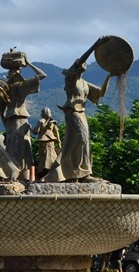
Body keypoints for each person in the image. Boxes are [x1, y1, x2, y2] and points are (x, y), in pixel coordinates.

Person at [44, 38, 113, 182]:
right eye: (81, 62)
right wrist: (95, 45)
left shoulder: (84, 83)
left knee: (83, 140)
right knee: (81, 138)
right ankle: (78, 171)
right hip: (72, 111)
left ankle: (81, 173)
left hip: (81, 113)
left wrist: (109, 77)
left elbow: (100, 93)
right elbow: (81, 60)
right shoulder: (71, 78)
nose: (84, 63)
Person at [0, 54, 46, 181]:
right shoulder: (12, 87)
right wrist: (29, 63)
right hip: (16, 119)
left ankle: (23, 173)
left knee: (20, 146)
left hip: (14, 119)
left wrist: (4, 123)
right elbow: (42, 75)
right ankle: (17, 172)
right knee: (17, 146)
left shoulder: (7, 87)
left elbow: (0, 109)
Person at [31, 107, 61, 179]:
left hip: (43, 142)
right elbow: (57, 132)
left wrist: (29, 127)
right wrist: (59, 142)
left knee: (44, 157)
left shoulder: (41, 121)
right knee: (51, 155)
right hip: (51, 142)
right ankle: (52, 169)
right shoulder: (53, 122)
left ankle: (44, 171)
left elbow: (35, 132)